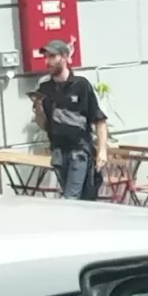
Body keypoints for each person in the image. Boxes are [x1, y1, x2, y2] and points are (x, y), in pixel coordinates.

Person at [31, 41, 108, 201]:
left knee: (70, 198)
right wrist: (38, 107)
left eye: (52, 56)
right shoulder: (45, 89)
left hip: (79, 150)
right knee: (80, 201)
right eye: (46, 57)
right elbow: (44, 125)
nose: (47, 62)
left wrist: (102, 151)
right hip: (58, 153)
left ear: (65, 57)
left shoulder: (80, 85)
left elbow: (99, 119)